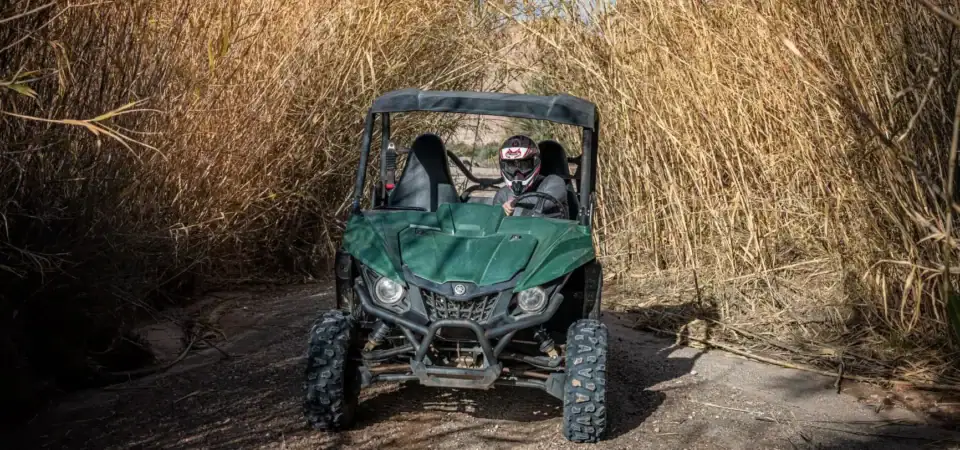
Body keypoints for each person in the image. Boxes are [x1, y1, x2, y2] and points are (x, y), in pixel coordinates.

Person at [491, 135, 568, 217]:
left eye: (523, 165)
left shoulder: (554, 181)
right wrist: (503, 213)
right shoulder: (503, 194)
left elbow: (547, 202)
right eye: (511, 166)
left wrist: (514, 202)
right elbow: (494, 220)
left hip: (552, 225)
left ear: (535, 163)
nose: (517, 173)